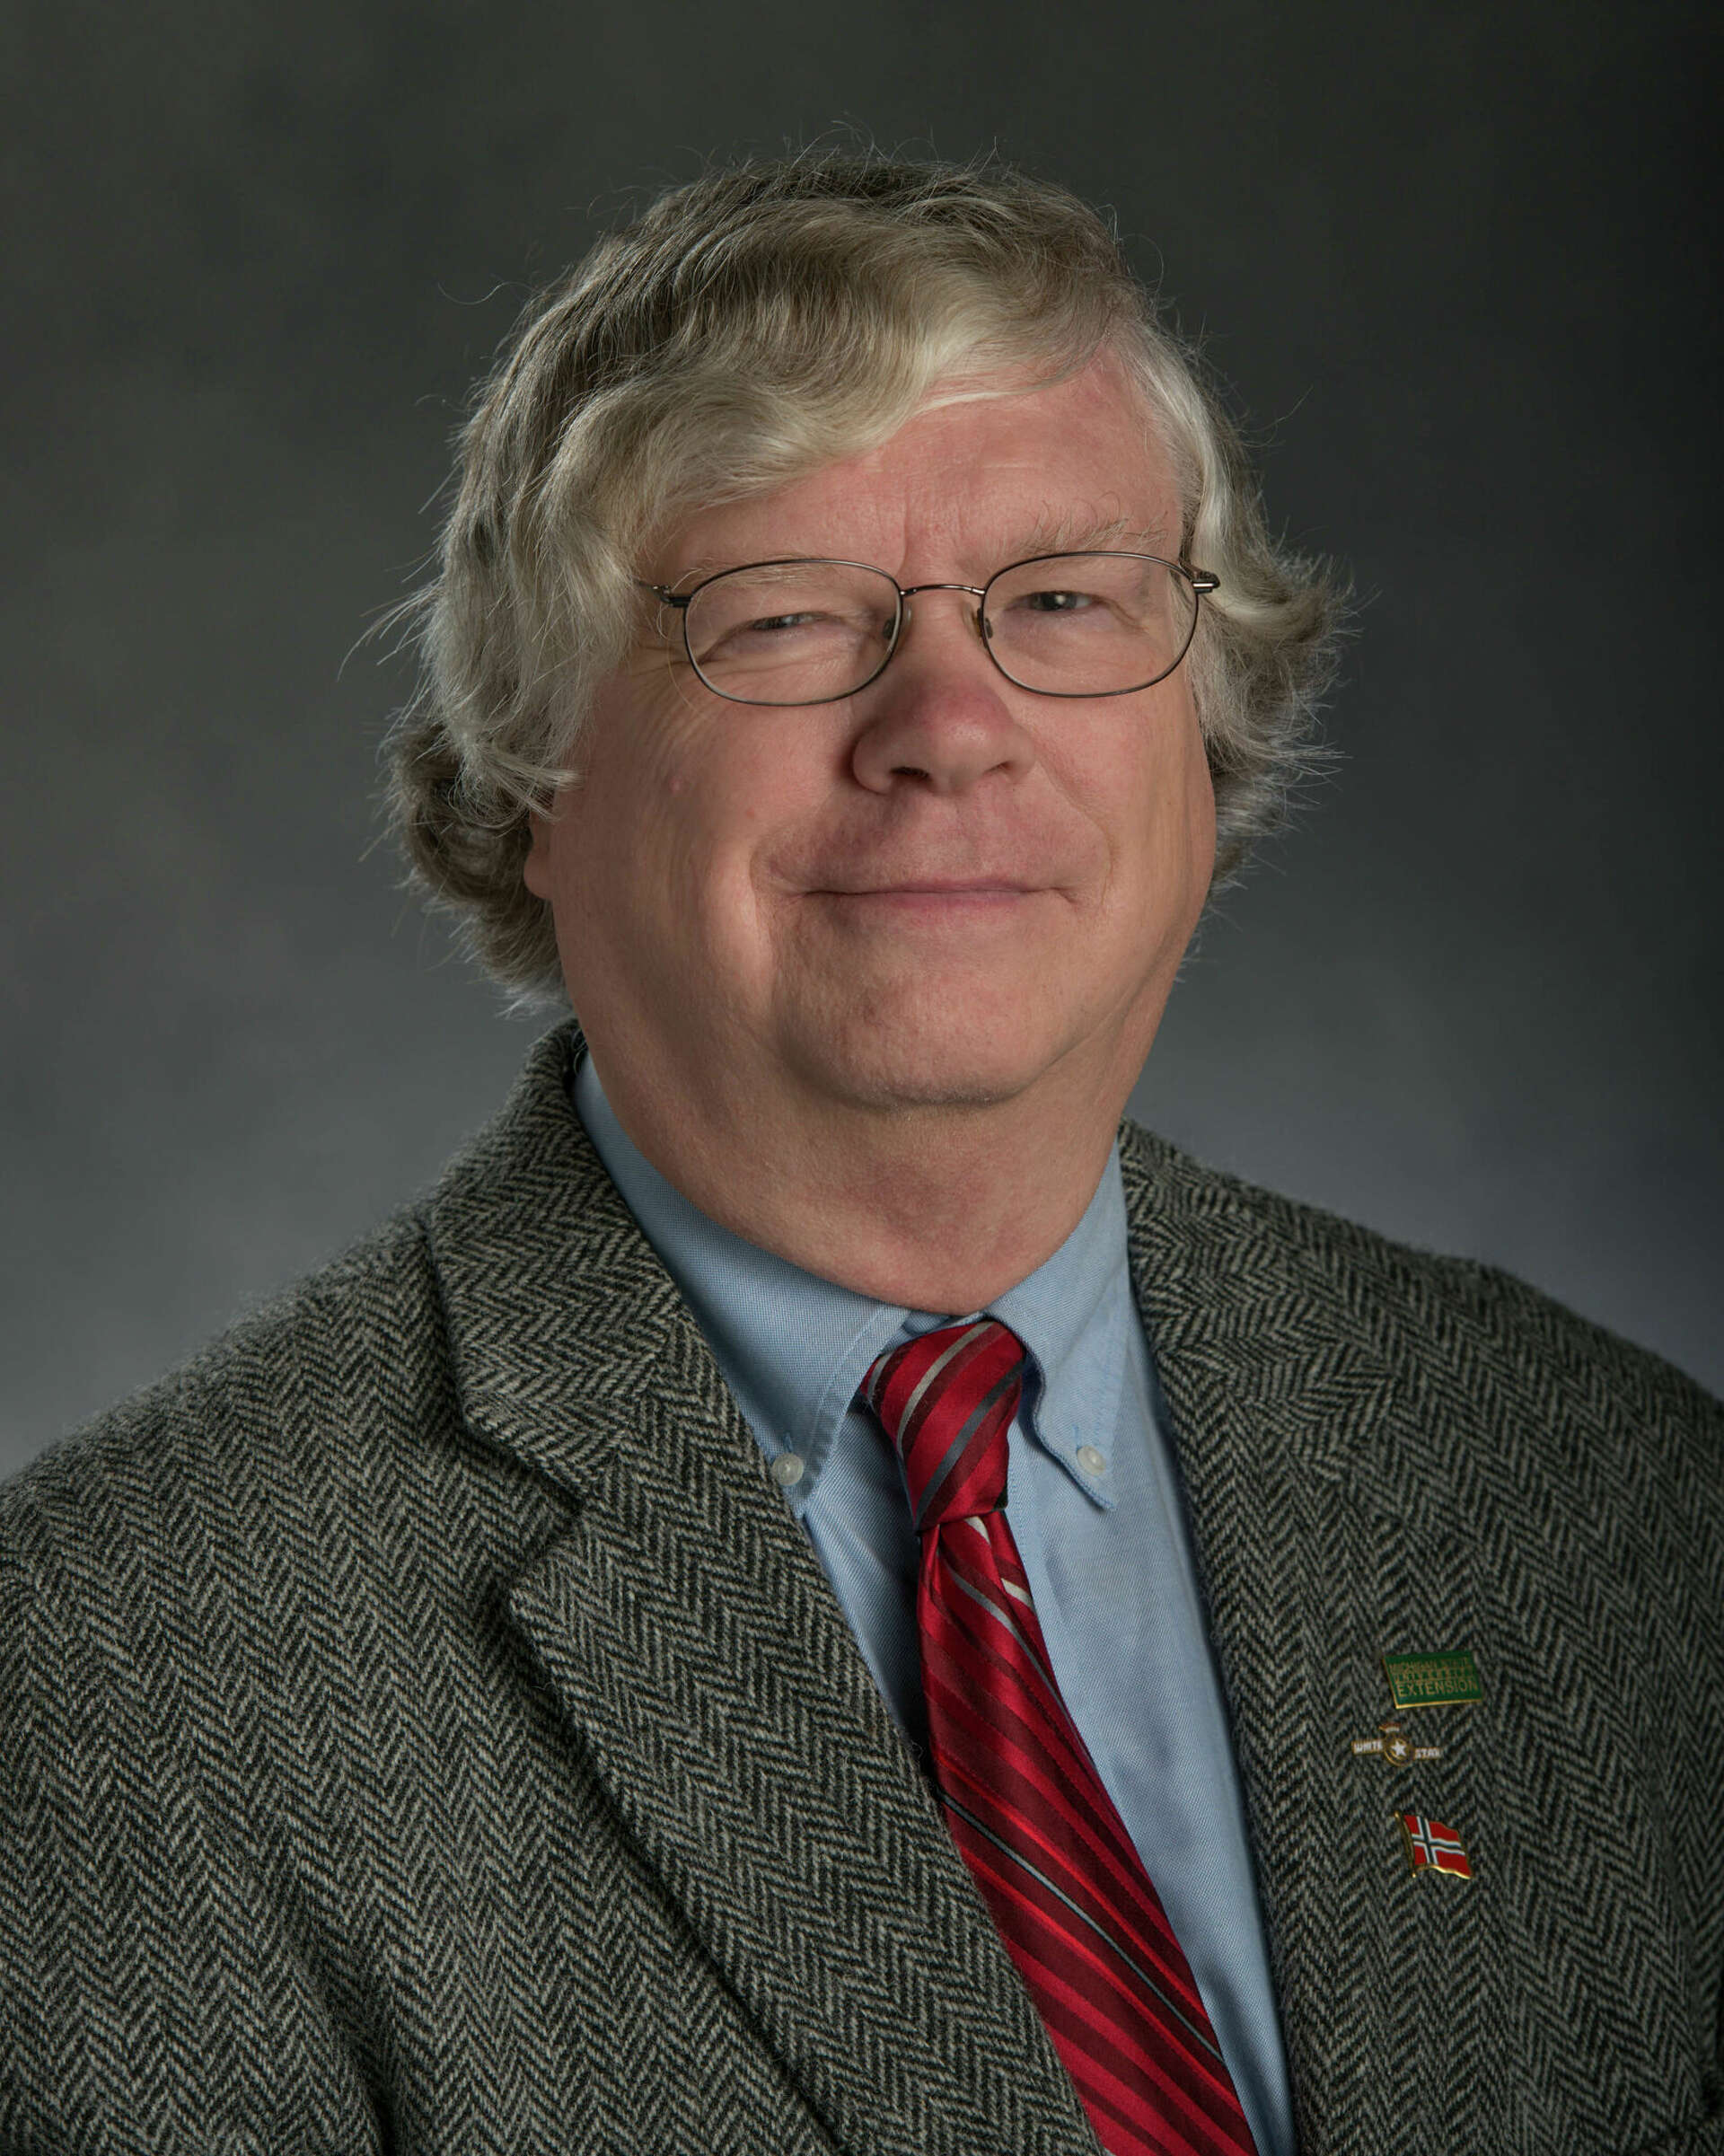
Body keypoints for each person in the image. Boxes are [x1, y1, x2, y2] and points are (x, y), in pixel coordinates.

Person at [2, 155, 1718, 2156]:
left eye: (1062, 599)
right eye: (788, 615)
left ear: (1205, 738)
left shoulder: (1608, 1498)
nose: (950, 724)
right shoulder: (120, 1679)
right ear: (537, 774)